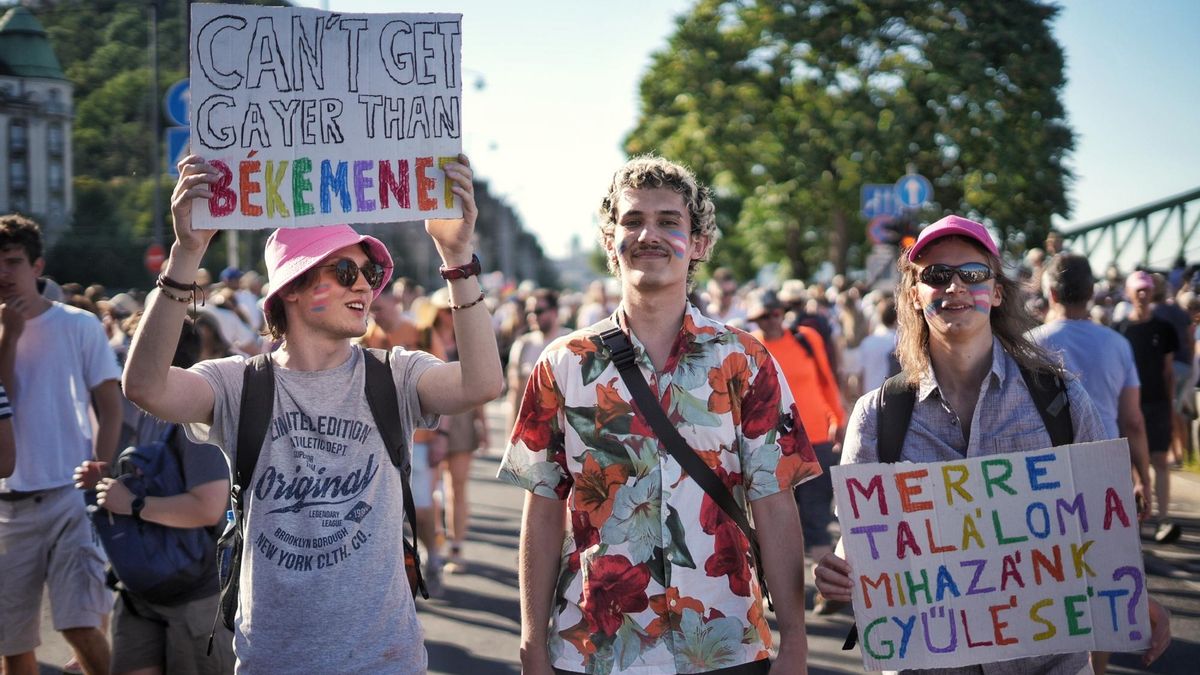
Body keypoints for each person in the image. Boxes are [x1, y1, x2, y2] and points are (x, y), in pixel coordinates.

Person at [121, 153, 503, 673]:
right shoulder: (239, 383)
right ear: (294, 289)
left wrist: (457, 258)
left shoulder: (394, 374)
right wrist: (185, 255)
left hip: (384, 659)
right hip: (273, 658)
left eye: (369, 274)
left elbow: (483, 383)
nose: (365, 287)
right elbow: (145, 385)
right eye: (345, 272)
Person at [500, 156, 821, 675]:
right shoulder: (562, 364)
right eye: (633, 221)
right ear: (610, 241)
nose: (649, 234)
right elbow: (541, 508)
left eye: (669, 221)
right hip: (596, 650)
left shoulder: (745, 360)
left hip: (725, 644)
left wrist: (797, 643)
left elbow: (775, 502)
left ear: (697, 244)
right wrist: (532, 642)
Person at [814, 215, 1172, 674]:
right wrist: (837, 574)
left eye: (974, 274)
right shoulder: (878, 414)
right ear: (914, 295)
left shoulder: (1059, 398)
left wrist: (1132, 589)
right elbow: (864, 539)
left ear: (997, 291)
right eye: (936, 275)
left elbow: (1100, 519)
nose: (955, 286)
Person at [74, 318, 235, 675]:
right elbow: (153, 475)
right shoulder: (133, 409)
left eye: (136, 346)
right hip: (138, 589)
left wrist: (133, 504)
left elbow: (208, 507)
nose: (127, 353)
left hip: (192, 594)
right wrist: (107, 477)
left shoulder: (194, 417)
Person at [0, 214, 123, 675]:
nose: (4, 273)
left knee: (78, 624)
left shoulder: (78, 325)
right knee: (13, 646)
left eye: (13, 261)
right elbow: (1, 401)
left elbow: (111, 406)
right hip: (7, 506)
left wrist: (101, 469)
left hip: (70, 497)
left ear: (38, 267)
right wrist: (8, 338)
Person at [1031, 253, 1153, 515]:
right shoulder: (1118, 345)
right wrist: (1143, 477)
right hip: (1106, 463)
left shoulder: (1028, 345)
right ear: (1090, 293)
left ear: (1052, 293)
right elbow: (1133, 421)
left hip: (1045, 472)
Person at [745, 289, 845, 606]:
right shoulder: (748, 347)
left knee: (816, 518)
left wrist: (838, 419)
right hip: (772, 444)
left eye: (775, 313)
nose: (771, 321)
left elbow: (825, 379)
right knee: (772, 522)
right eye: (763, 316)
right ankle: (775, 590)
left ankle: (829, 591)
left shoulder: (806, 338)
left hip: (816, 439)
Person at [425, 287, 489, 574]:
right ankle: (433, 544)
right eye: (444, 308)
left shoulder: (468, 339)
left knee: (457, 487)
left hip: (462, 420)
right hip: (430, 420)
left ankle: (456, 546)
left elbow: (480, 386)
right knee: (428, 490)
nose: (449, 313)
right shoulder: (424, 338)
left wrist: (483, 425)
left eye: (451, 307)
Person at [1115, 270, 1181, 543]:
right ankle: (1137, 517)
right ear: (1129, 294)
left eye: (1146, 289)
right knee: (1131, 465)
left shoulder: (1164, 329)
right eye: (1137, 289)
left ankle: (1163, 519)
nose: (1142, 294)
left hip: (1157, 403)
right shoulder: (1120, 330)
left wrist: (1171, 404)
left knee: (1159, 460)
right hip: (1129, 405)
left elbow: (1169, 371)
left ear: (1152, 292)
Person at [506, 288, 567, 435]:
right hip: (533, 430)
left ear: (554, 312)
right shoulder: (522, 345)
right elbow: (516, 392)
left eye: (538, 311)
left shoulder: (569, 342)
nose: (532, 317)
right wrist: (512, 434)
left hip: (564, 430)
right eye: (529, 312)